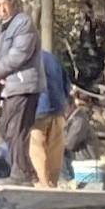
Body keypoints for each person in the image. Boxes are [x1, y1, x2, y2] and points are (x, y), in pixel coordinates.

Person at [0, 0, 41, 186]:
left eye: (5, 4)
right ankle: (26, 171)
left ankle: (21, 173)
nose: (1, 9)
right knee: (7, 128)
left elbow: (19, 53)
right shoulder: (3, 28)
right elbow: (0, 56)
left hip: (24, 84)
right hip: (12, 85)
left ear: (13, 5)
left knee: (15, 129)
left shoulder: (22, 23)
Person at [31, 47, 70, 188]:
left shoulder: (27, 58)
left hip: (38, 108)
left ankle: (44, 182)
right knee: (55, 148)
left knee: (37, 146)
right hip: (58, 107)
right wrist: (64, 101)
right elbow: (67, 83)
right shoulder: (53, 58)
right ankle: (53, 181)